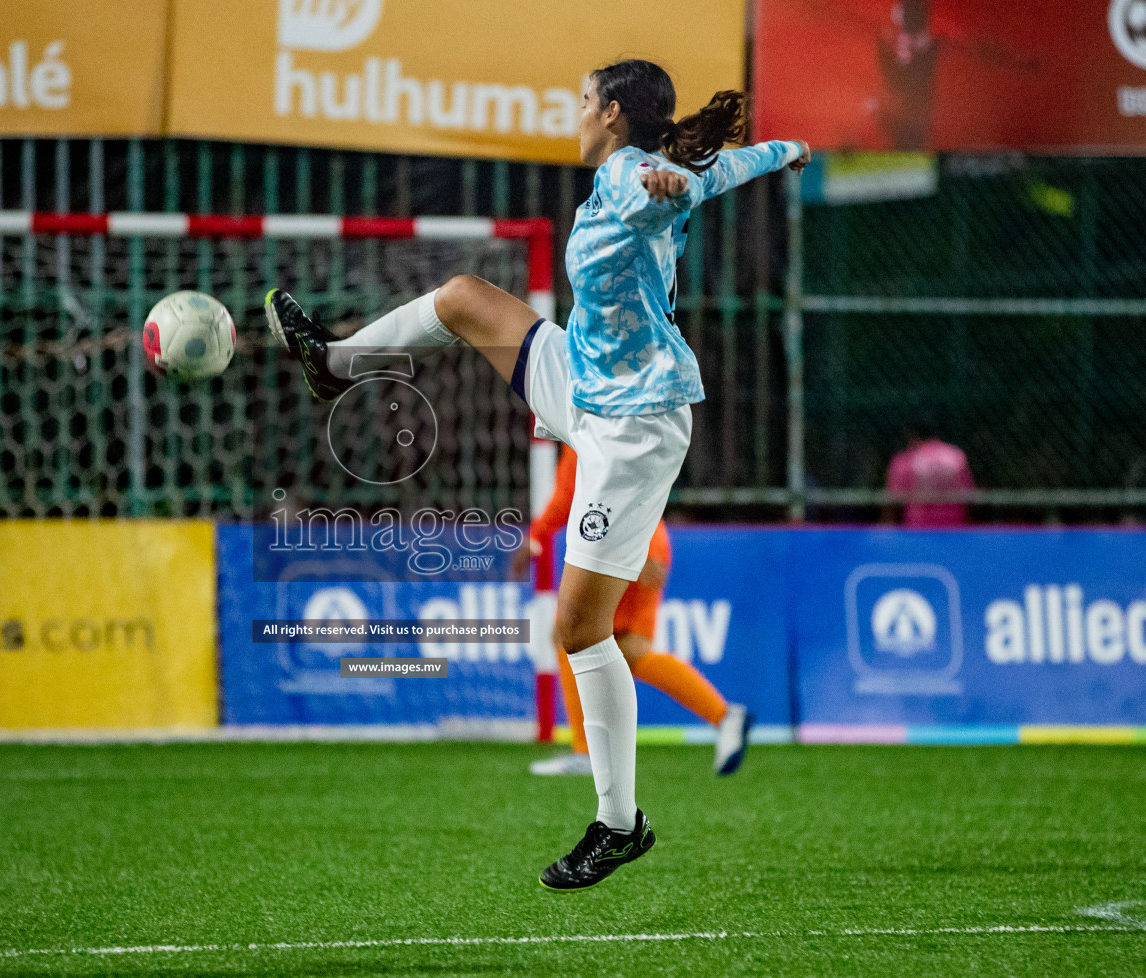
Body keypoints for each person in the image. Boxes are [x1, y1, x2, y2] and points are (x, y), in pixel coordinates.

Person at [266, 58, 808, 890]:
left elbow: (674, 186)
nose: (577, 113)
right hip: (582, 375)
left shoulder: (633, 176)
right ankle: (337, 364)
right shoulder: (639, 170)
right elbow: (730, 165)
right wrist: (788, 149)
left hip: (631, 424)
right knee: (460, 298)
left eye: (585, 101)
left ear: (616, 113)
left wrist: (667, 183)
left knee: (581, 632)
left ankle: (619, 824)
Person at [521, 445, 751, 778]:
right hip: (648, 540)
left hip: (625, 545)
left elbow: (569, 495)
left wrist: (537, 535)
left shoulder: (585, 424)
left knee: (567, 634)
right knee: (626, 650)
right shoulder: (624, 421)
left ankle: (587, 752)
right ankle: (725, 716)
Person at [885, 425, 974, 526]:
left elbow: (893, 501)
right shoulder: (955, 455)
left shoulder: (906, 460)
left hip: (918, 526)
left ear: (911, 438)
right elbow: (968, 494)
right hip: (954, 525)